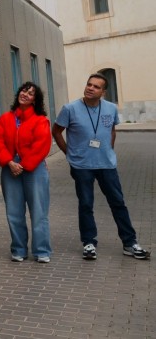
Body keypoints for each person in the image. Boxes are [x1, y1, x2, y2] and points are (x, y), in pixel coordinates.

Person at [52, 73, 151, 261]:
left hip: (106, 164)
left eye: (96, 86)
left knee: (118, 202)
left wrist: (108, 150)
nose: (91, 88)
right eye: (89, 84)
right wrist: (69, 154)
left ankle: (130, 243)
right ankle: (89, 243)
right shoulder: (70, 108)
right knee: (86, 204)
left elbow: (112, 130)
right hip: (82, 166)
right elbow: (56, 131)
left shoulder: (110, 108)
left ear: (103, 92)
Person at [0, 82, 53, 263]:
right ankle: (19, 249)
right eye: (23, 90)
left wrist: (24, 165)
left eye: (31, 93)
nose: (25, 94)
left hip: (34, 168)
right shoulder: (5, 118)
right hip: (10, 167)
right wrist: (9, 162)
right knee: (14, 211)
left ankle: (41, 250)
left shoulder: (40, 120)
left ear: (35, 100)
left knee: (39, 211)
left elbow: (42, 145)